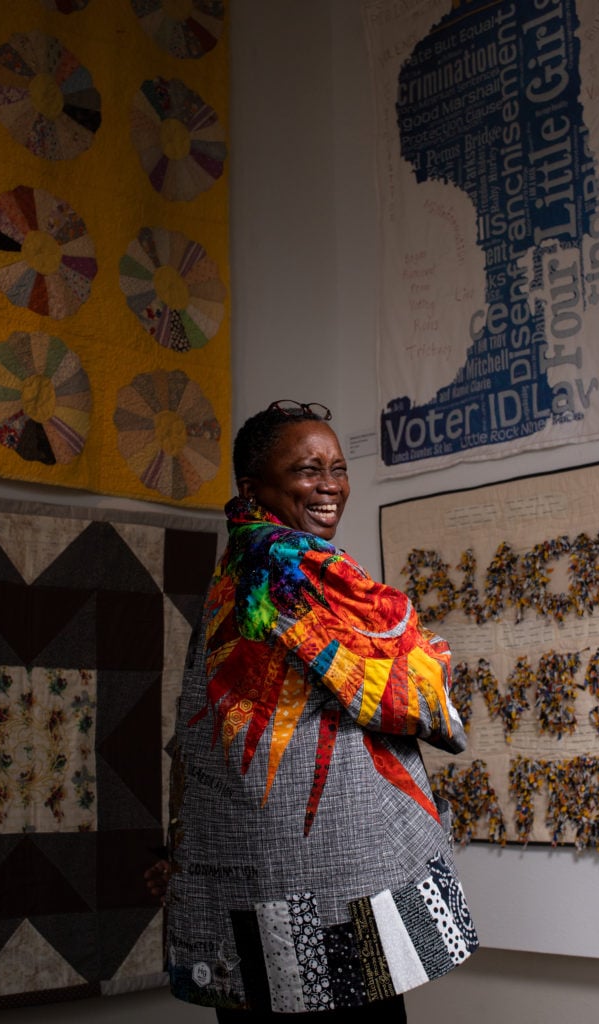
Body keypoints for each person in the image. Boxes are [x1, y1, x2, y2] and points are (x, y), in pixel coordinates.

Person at [161, 401, 478, 1021]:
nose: (330, 485)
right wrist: (434, 655)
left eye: (337, 467)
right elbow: (407, 692)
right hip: (326, 874)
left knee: (264, 1000)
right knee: (344, 1002)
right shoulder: (294, 566)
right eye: (308, 470)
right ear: (254, 488)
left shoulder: (237, 566)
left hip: (252, 861)